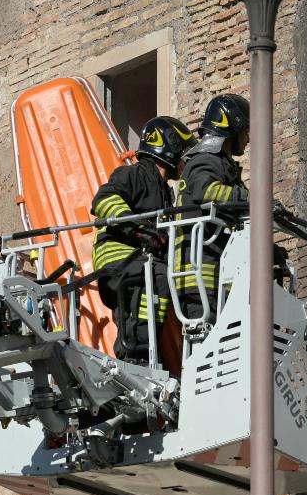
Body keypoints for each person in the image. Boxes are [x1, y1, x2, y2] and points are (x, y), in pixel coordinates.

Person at [91, 116, 197, 364]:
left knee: (138, 305)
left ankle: (134, 358)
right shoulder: (134, 174)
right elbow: (103, 200)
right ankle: (140, 353)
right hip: (117, 254)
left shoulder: (164, 191)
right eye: (183, 154)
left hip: (135, 260)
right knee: (158, 276)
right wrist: (138, 227)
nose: (185, 162)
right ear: (169, 148)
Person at [174, 94, 250, 326]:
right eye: (245, 131)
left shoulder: (221, 164)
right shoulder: (205, 160)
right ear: (233, 127)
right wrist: (250, 198)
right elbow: (205, 191)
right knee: (208, 339)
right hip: (200, 272)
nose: (248, 139)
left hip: (215, 268)